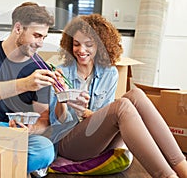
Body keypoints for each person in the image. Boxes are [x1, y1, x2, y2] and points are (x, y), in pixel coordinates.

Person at [49, 14, 187, 178]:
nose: (81, 50)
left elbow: (103, 118)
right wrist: (61, 97)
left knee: (136, 95)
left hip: (100, 139)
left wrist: (88, 113)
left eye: (89, 45)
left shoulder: (109, 73)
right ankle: (167, 176)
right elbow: (56, 123)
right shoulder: (60, 73)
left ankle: (182, 167)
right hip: (69, 142)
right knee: (122, 106)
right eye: (76, 44)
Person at [0, 2, 56, 176]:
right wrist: (26, 84)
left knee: (45, 149)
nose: (40, 43)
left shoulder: (41, 67)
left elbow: (43, 117)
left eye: (44, 37)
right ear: (18, 28)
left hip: (21, 136)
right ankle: (12, 168)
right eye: (37, 35)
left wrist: (30, 129)